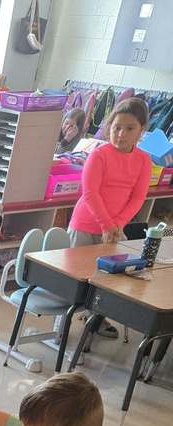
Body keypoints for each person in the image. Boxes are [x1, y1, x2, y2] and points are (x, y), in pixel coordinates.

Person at [68, 97, 151, 338]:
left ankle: (96, 319)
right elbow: (90, 193)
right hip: (86, 224)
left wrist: (117, 225)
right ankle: (62, 325)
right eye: (116, 128)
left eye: (129, 128)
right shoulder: (99, 155)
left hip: (114, 228)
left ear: (141, 131)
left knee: (107, 281)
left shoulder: (143, 160)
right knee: (76, 279)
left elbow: (138, 197)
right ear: (109, 127)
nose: (121, 134)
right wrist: (106, 224)